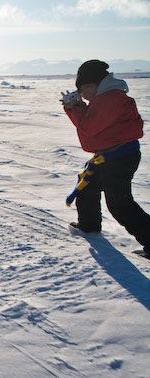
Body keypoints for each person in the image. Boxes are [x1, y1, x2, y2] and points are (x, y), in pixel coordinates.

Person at [62, 59, 149, 257]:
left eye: (83, 89)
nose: (82, 94)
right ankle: (89, 225)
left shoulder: (109, 99)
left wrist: (74, 108)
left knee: (120, 205)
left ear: (93, 85)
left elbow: (89, 128)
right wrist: (78, 106)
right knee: (87, 186)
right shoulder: (106, 97)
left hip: (119, 158)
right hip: (110, 155)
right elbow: (96, 124)